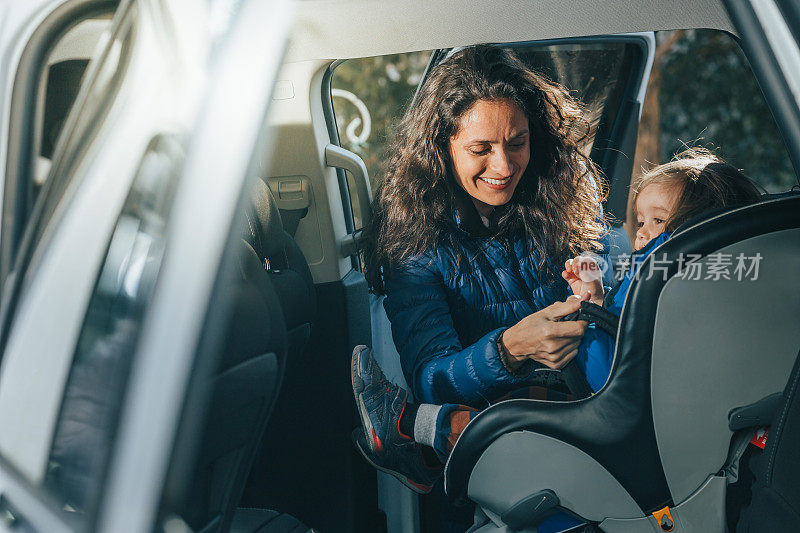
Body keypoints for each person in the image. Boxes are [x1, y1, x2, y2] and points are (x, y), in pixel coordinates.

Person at [352, 147, 762, 497]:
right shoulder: (729, 286)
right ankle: (422, 444)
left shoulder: (658, 280)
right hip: (672, 425)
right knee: (515, 402)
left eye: (658, 222)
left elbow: (609, 379)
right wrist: (594, 303)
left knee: (506, 419)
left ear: (699, 230)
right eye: (640, 222)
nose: (641, 236)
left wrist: (588, 322)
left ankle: (412, 430)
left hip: (631, 429)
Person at [358, 44, 608, 503]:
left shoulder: (554, 193)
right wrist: (511, 348)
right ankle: (415, 433)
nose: (505, 166)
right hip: (505, 432)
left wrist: (593, 283)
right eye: (481, 149)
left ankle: (407, 432)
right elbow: (432, 379)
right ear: (441, 147)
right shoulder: (415, 246)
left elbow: (596, 248)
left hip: (579, 402)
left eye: (518, 143)